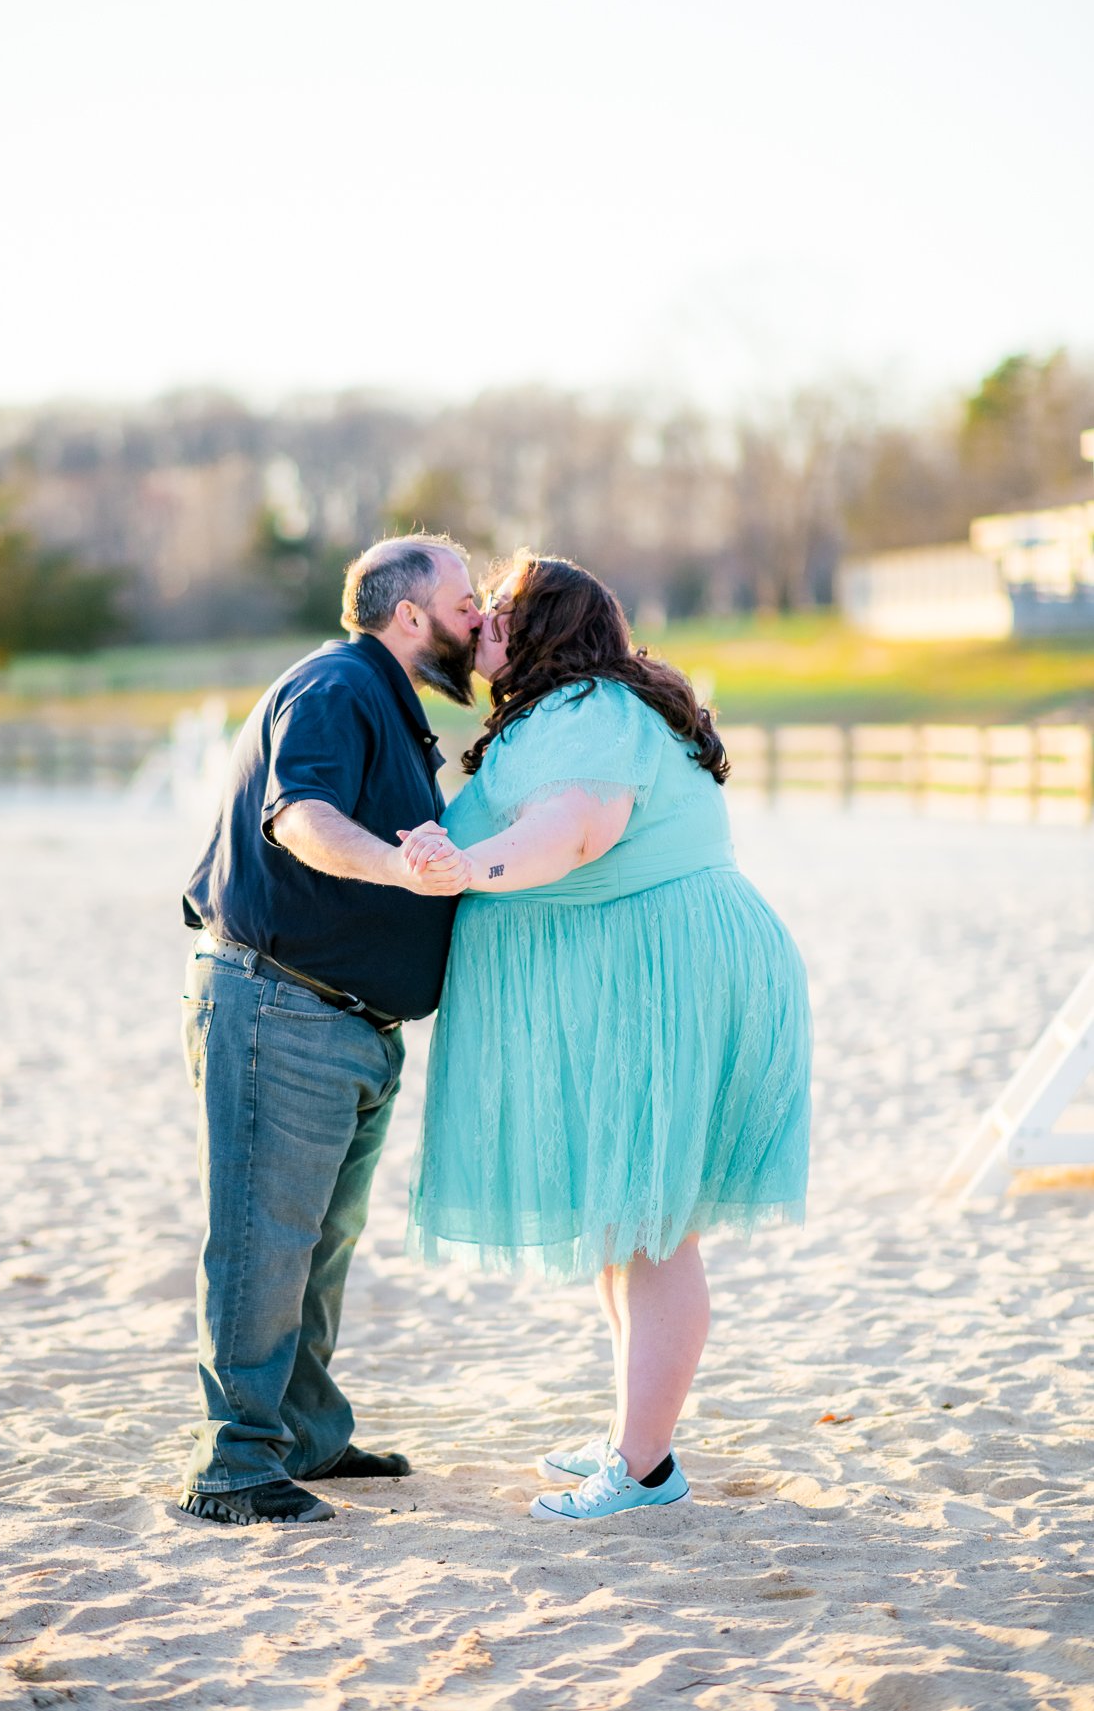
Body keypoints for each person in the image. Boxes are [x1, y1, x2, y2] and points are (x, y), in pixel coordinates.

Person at [399, 552, 812, 1524]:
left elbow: (574, 830)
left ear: (546, 629)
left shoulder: (587, 712)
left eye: (498, 611)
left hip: (668, 979)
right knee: (627, 1223)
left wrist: (466, 868)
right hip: (642, 977)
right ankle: (637, 1430)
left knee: (655, 1230)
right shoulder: (562, 714)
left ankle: (646, 1468)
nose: (479, 625)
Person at [177, 534, 477, 1526]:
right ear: (409, 616)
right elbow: (297, 814)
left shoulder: (387, 704)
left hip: (341, 1023)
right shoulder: (340, 685)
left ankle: (303, 1434)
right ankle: (234, 1468)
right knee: (266, 1242)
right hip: (280, 1010)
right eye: (465, 602)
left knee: (321, 1243)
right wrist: (403, 867)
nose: (477, 620)